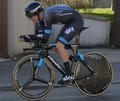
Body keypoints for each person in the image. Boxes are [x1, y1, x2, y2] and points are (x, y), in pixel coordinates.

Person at [18, 1, 84, 84]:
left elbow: (45, 36)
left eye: (30, 16)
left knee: (59, 45)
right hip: (70, 22)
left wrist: (28, 36)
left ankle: (69, 75)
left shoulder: (47, 16)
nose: (29, 19)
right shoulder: (40, 20)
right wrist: (27, 38)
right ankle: (74, 60)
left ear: (37, 13)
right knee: (55, 47)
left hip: (76, 20)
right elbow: (42, 38)